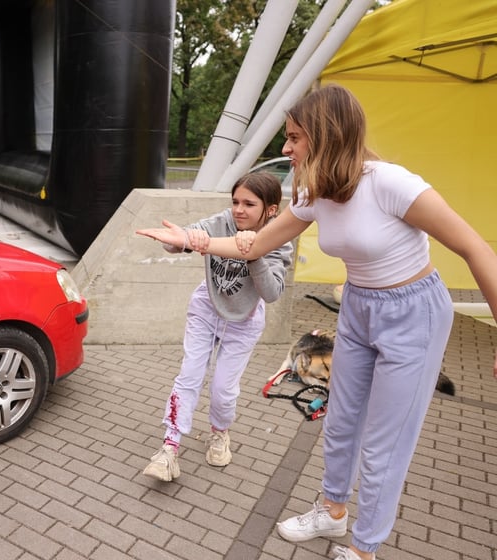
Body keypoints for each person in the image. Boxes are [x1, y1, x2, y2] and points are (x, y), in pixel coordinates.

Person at [136, 84, 497, 560]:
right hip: (359, 309)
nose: (285, 148)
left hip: (414, 313)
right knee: (341, 423)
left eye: (295, 137)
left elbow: (476, 249)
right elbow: (254, 245)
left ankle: (365, 550)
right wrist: (192, 240)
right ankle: (332, 511)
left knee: (384, 443)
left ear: (327, 133)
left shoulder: (392, 183)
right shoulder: (314, 192)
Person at [142, 172, 293, 482]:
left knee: (223, 390)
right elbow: (187, 238)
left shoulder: (278, 237)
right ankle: (169, 448)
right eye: (235, 201)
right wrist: (180, 241)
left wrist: (253, 254)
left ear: (271, 209)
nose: (239, 210)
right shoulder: (224, 220)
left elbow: (272, 293)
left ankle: (220, 432)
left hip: (245, 321)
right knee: (189, 375)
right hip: (206, 310)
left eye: (249, 204)